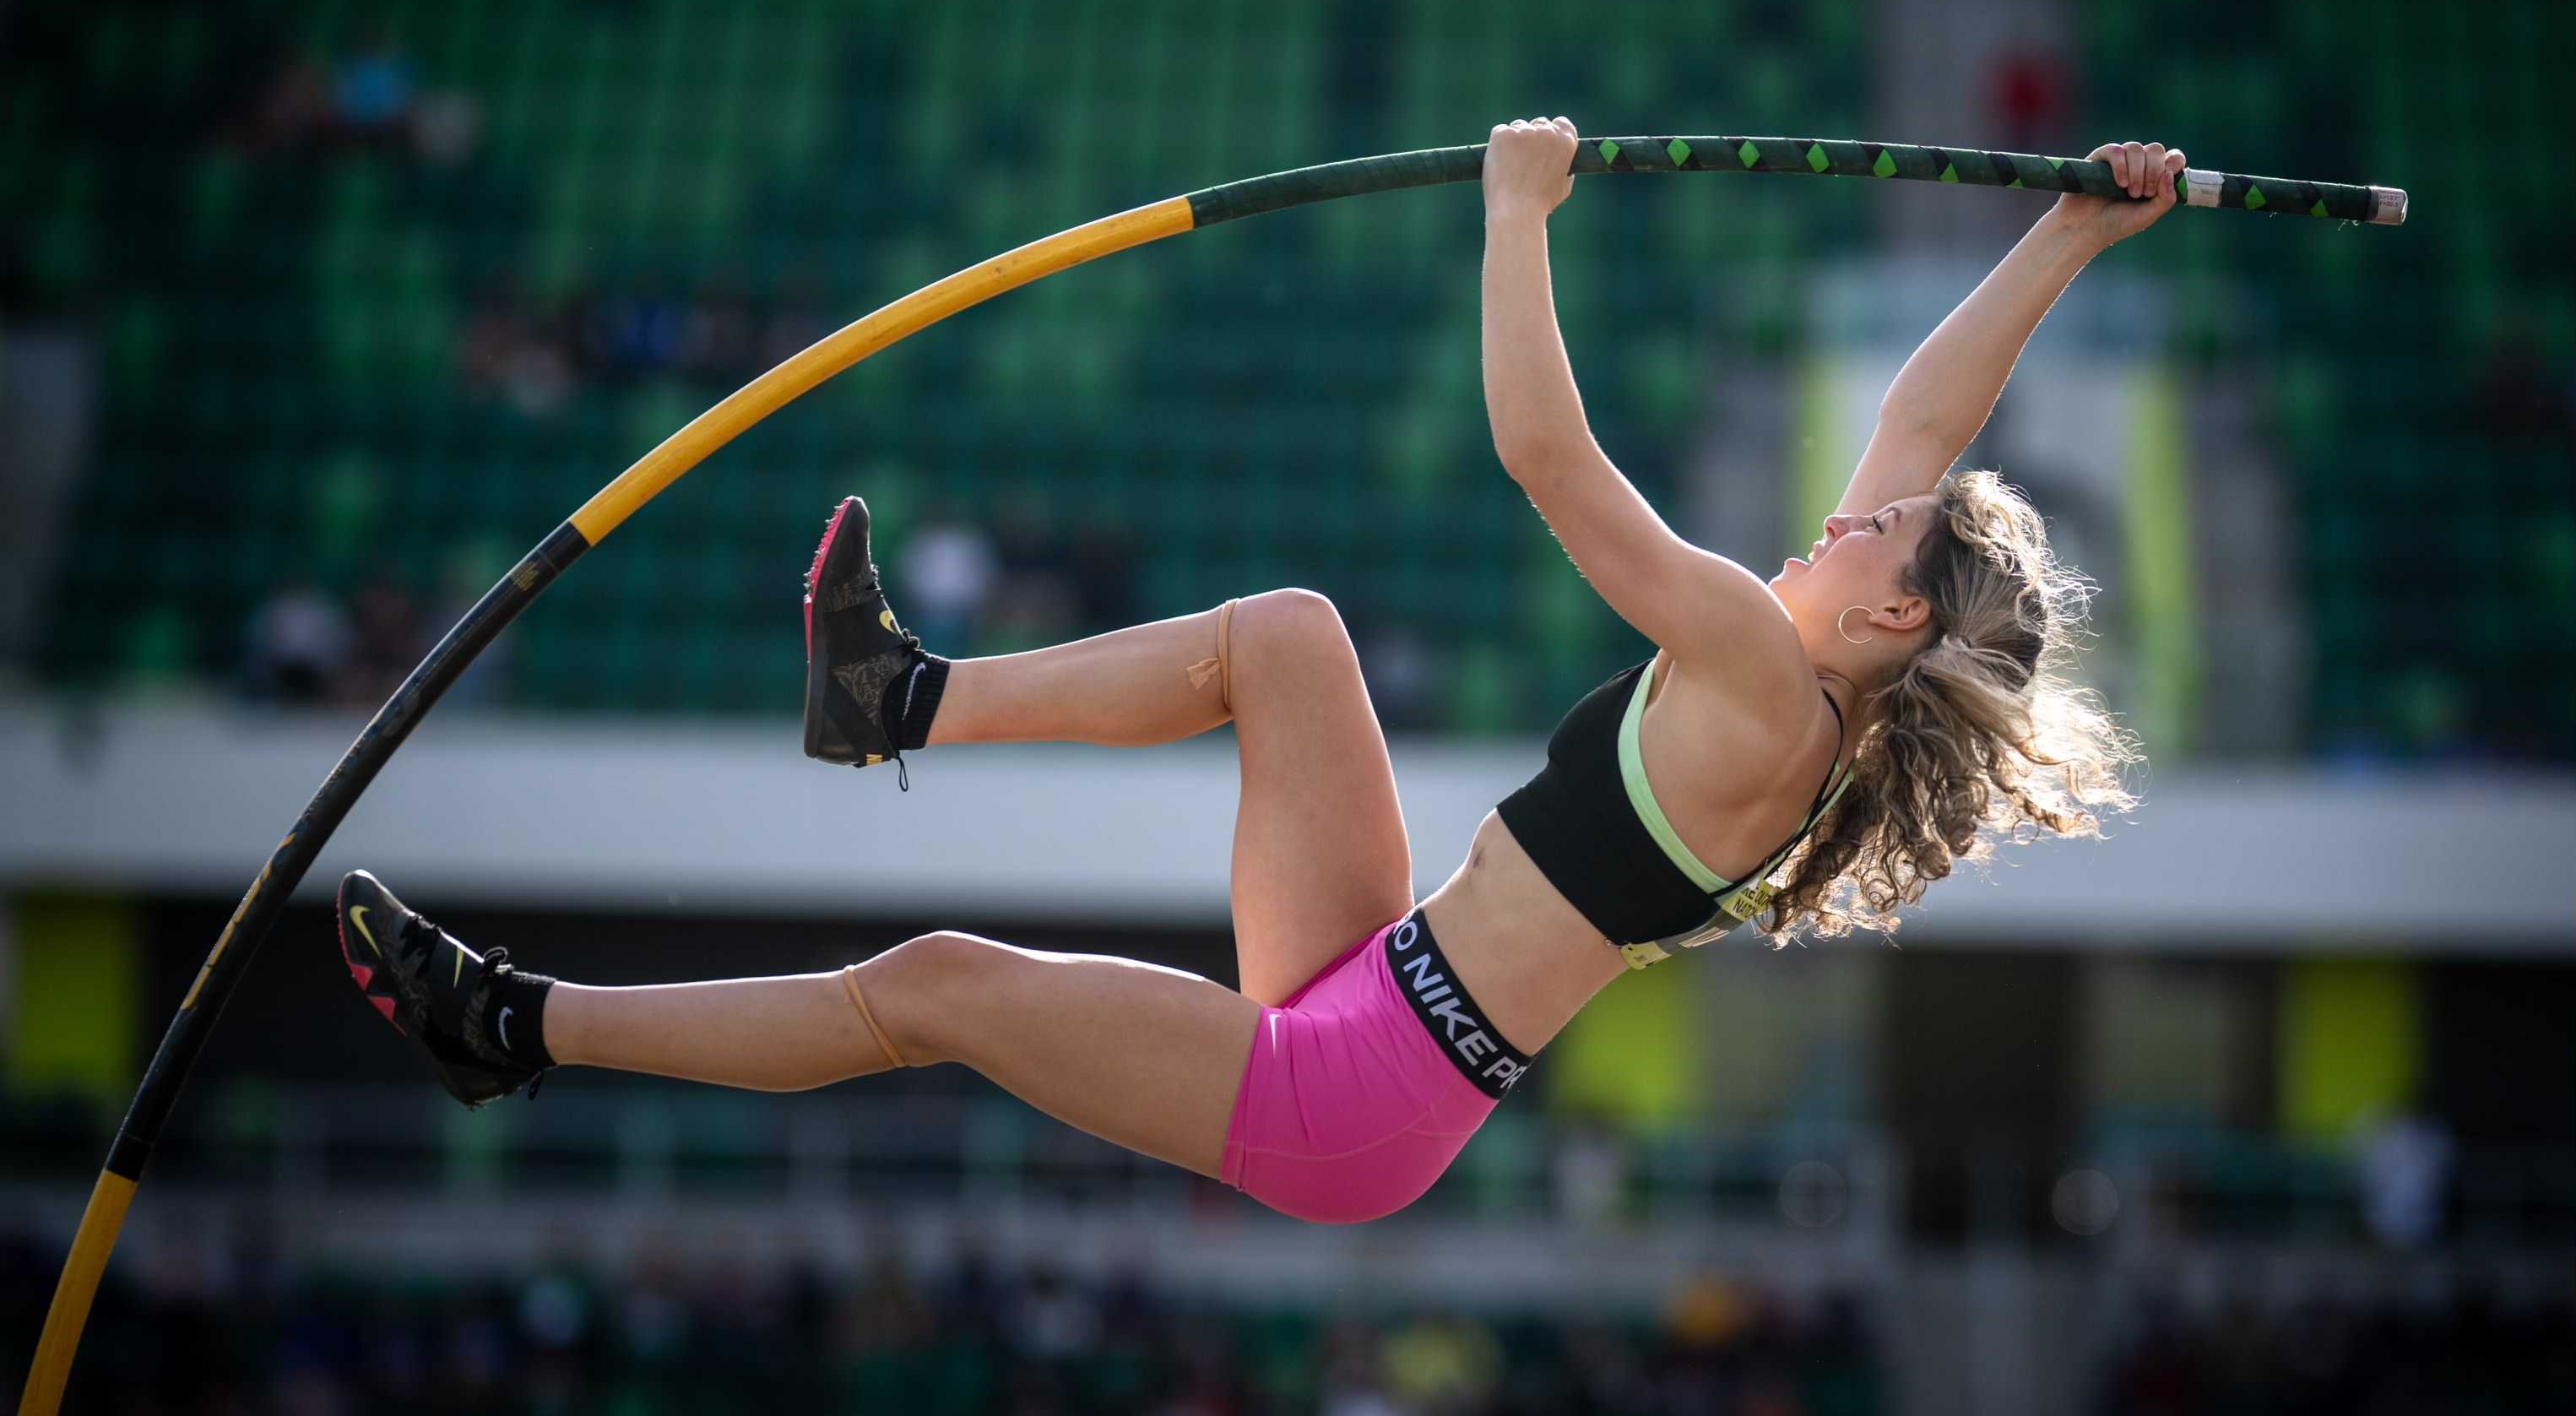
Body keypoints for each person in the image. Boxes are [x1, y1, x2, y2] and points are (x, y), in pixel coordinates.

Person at [335, 118, 2160, 1224]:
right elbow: (1929, 419)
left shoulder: (1772, 685)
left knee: (937, 984)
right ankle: (891, 699)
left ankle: (513, 1026)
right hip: (1380, 981)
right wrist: (2066, 232)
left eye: (1878, 535)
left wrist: (1514, 217)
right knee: (1288, 639)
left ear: (1902, 616)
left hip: (1354, 1099)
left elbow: (1546, 464)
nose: (1849, 517)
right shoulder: (1814, 671)